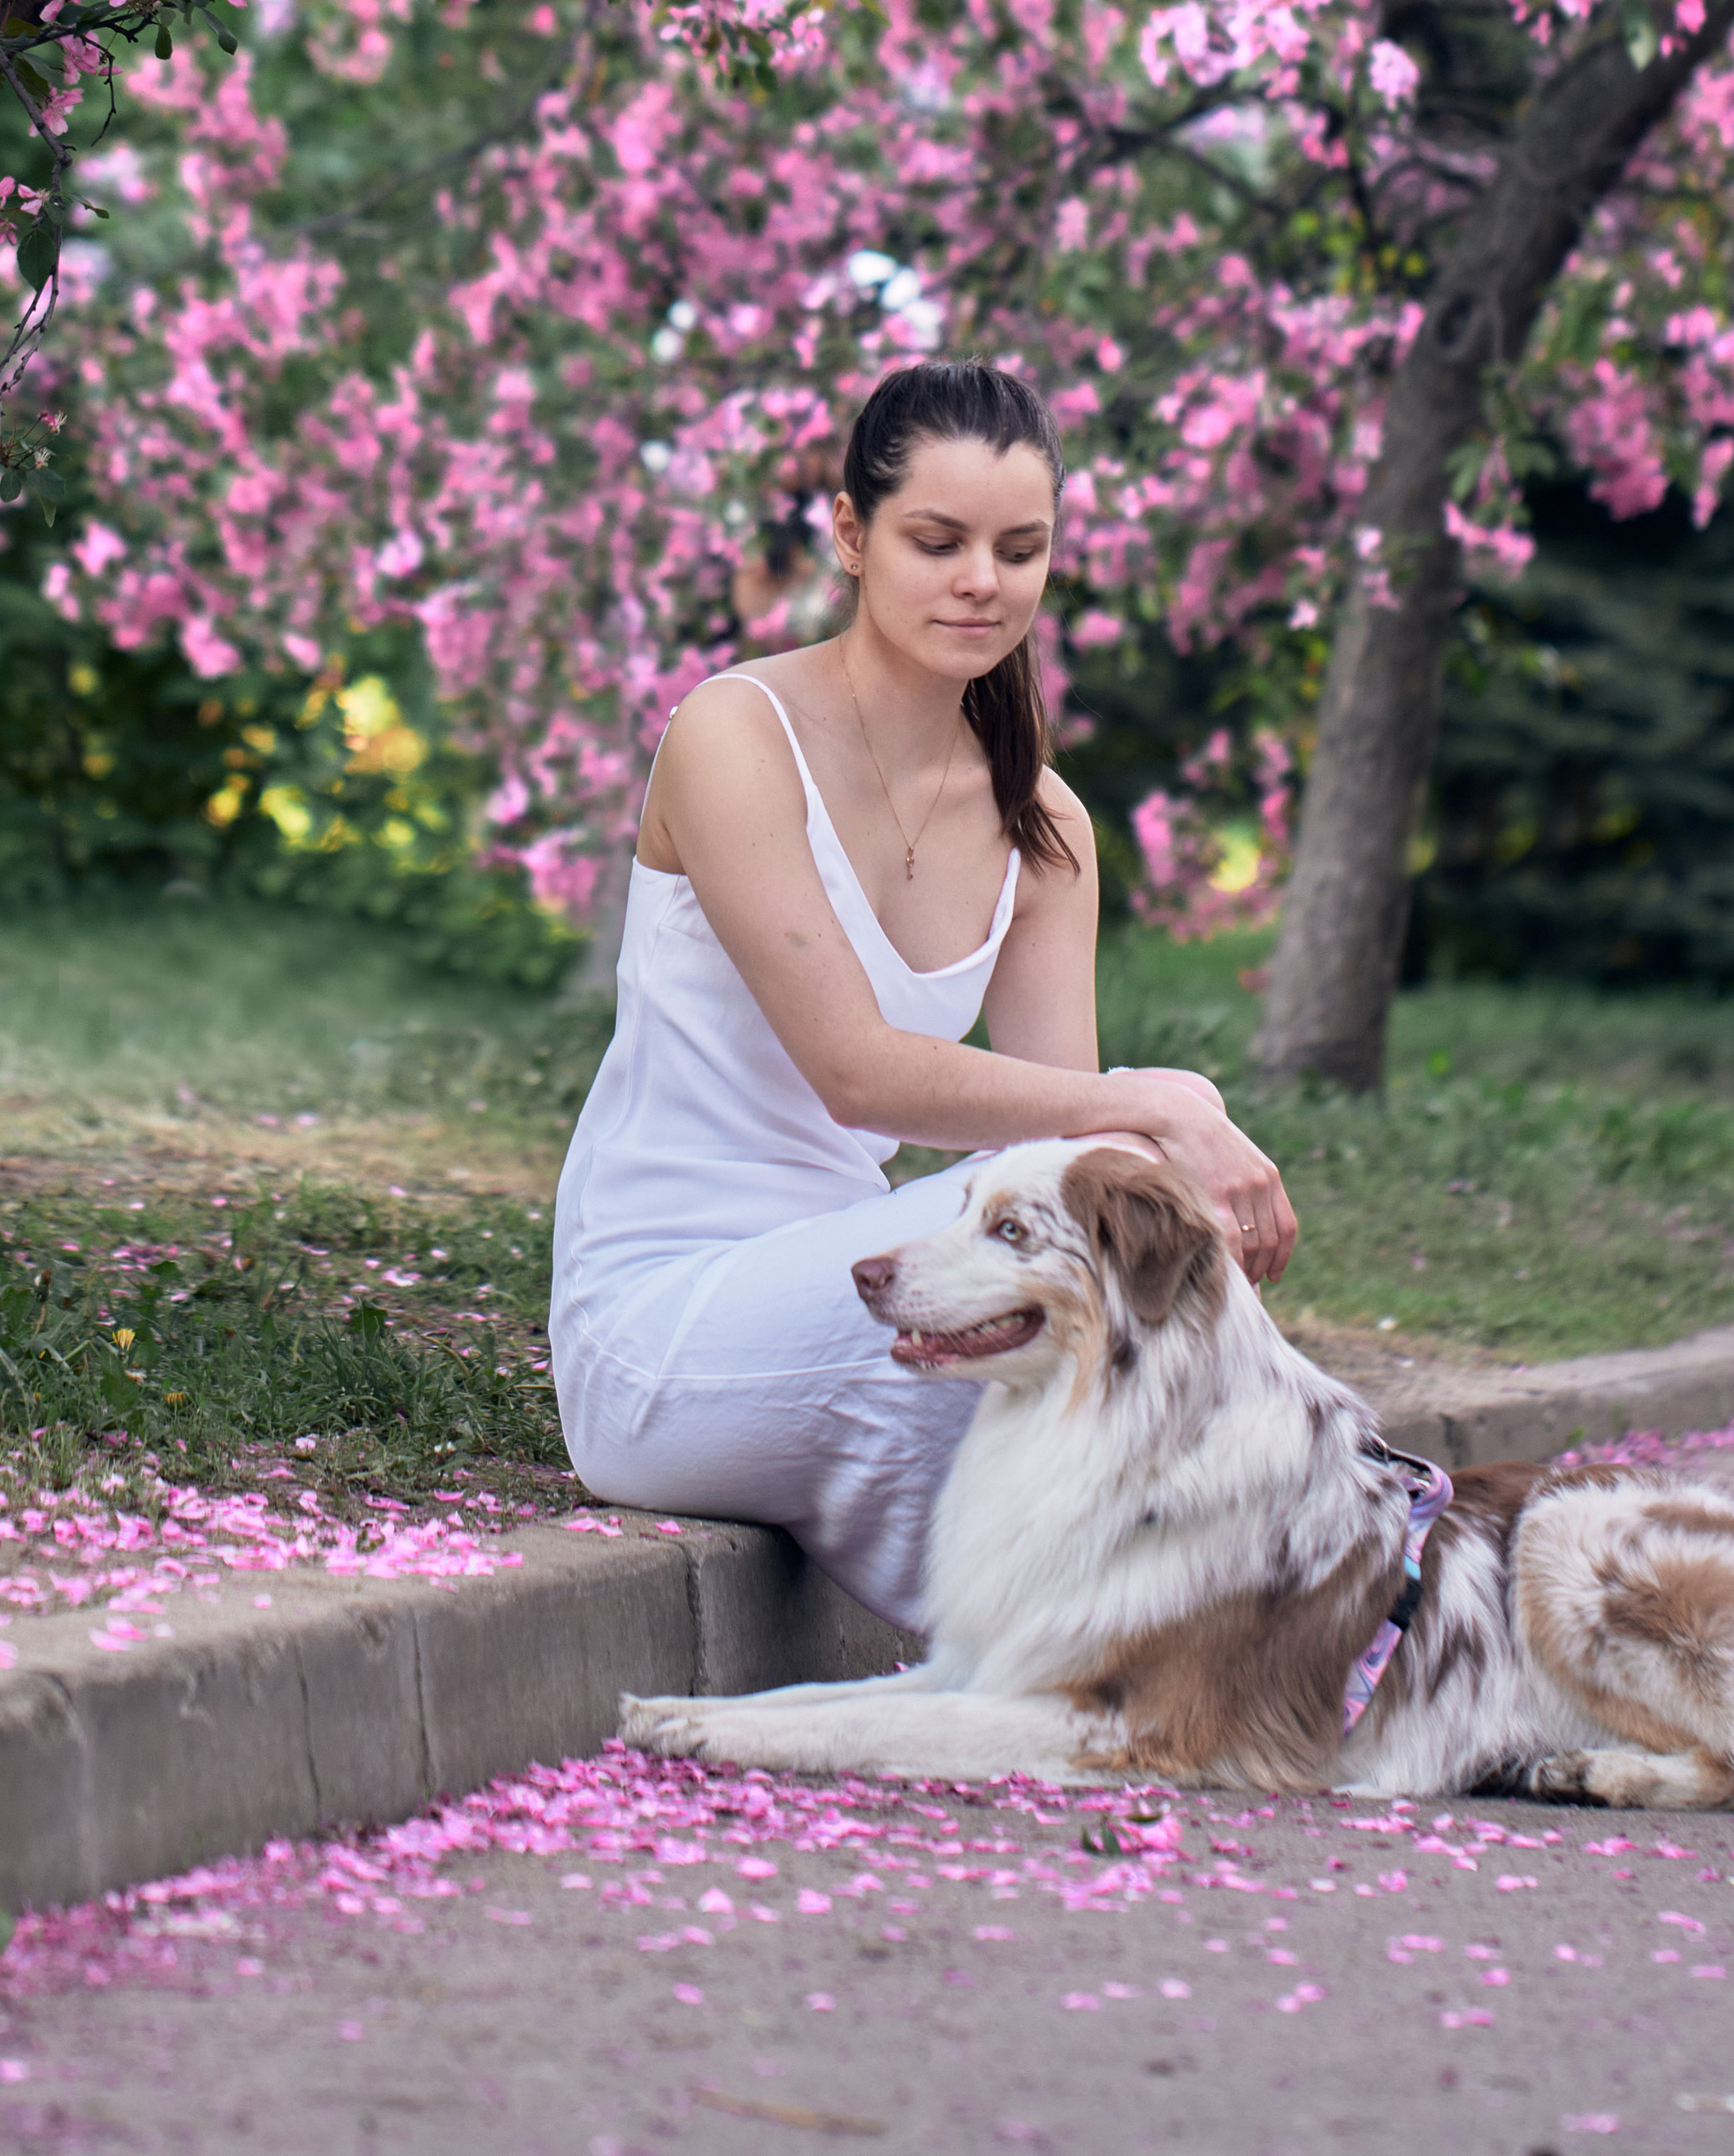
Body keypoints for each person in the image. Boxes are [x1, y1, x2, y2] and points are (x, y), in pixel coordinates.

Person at [549, 357, 1297, 1629]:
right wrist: (1170, 1106)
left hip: (872, 1301)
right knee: (1126, 1143)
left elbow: (1058, 1151)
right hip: (663, 1330)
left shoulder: (1041, 821)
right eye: (937, 541)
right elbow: (859, 1068)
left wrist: (1147, 1142)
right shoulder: (734, 733)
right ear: (850, 534)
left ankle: (1306, 1599)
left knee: (1112, 1195)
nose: (981, 581)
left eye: (1020, 549)